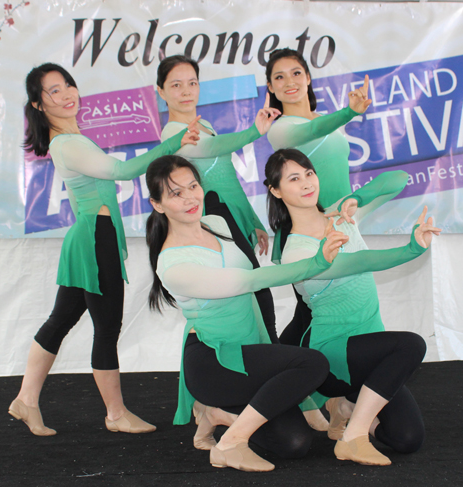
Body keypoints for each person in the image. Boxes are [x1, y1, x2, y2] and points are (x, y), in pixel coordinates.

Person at [8, 63, 199, 437]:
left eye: (68, 86)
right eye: (53, 91)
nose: (66, 95)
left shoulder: (72, 139)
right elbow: (122, 172)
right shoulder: (68, 143)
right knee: (106, 326)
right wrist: (176, 143)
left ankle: (26, 400)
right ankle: (115, 414)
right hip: (94, 239)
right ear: (38, 104)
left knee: (61, 320)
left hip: (93, 235)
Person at [145, 155, 350, 472]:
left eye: (193, 186)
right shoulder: (172, 265)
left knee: (295, 443)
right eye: (176, 193)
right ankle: (229, 439)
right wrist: (316, 263)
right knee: (312, 367)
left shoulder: (217, 223)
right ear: (157, 204)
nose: (190, 198)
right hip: (216, 362)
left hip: (252, 352)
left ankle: (219, 417)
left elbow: (256, 285)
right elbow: (250, 280)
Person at [265, 148, 440, 466]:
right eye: (294, 178)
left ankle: (343, 408)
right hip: (334, 355)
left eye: (309, 173)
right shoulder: (296, 250)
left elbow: (397, 179)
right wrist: (412, 248)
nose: (306, 183)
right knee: (411, 345)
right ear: (275, 190)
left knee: (407, 439)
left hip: (372, 351)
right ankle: (353, 436)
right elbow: (358, 262)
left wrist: (359, 198)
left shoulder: (341, 215)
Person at [157, 55, 280, 343]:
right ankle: (269, 358)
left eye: (192, 83)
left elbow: (227, 178)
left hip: (230, 216)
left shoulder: (206, 123)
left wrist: (251, 220)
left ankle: (271, 357)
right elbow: (213, 147)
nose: (186, 91)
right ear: (161, 92)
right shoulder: (174, 133)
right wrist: (253, 131)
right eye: (176, 85)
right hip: (213, 219)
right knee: (256, 291)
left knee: (257, 293)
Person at [265, 47, 372, 354]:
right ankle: (286, 374)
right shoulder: (281, 129)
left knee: (326, 310)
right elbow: (312, 129)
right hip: (308, 232)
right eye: (279, 77)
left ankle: (308, 378)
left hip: (340, 224)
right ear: (271, 88)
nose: (290, 81)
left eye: (297, 73)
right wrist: (350, 112)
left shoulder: (329, 120)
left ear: (308, 78)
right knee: (313, 313)